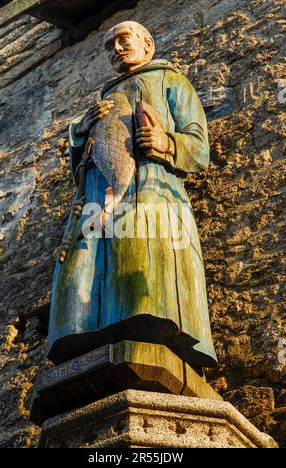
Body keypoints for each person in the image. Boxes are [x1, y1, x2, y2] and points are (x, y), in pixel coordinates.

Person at [47, 21, 217, 369]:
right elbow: (81, 158)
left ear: (147, 44)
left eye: (123, 41)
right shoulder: (104, 98)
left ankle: (150, 322)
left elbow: (199, 147)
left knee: (141, 266)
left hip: (150, 190)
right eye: (109, 47)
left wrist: (165, 142)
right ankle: (83, 329)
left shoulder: (170, 80)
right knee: (83, 267)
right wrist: (80, 130)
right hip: (98, 197)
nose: (116, 50)